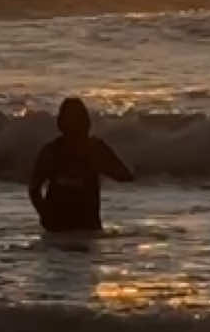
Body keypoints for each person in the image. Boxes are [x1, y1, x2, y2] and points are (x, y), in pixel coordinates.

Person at [29, 97, 134, 232]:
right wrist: (46, 215)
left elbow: (34, 189)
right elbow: (125, 176)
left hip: (73, 228)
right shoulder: (55, 151)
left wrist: (45, 215)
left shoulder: (91, 149)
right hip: (70, 228)